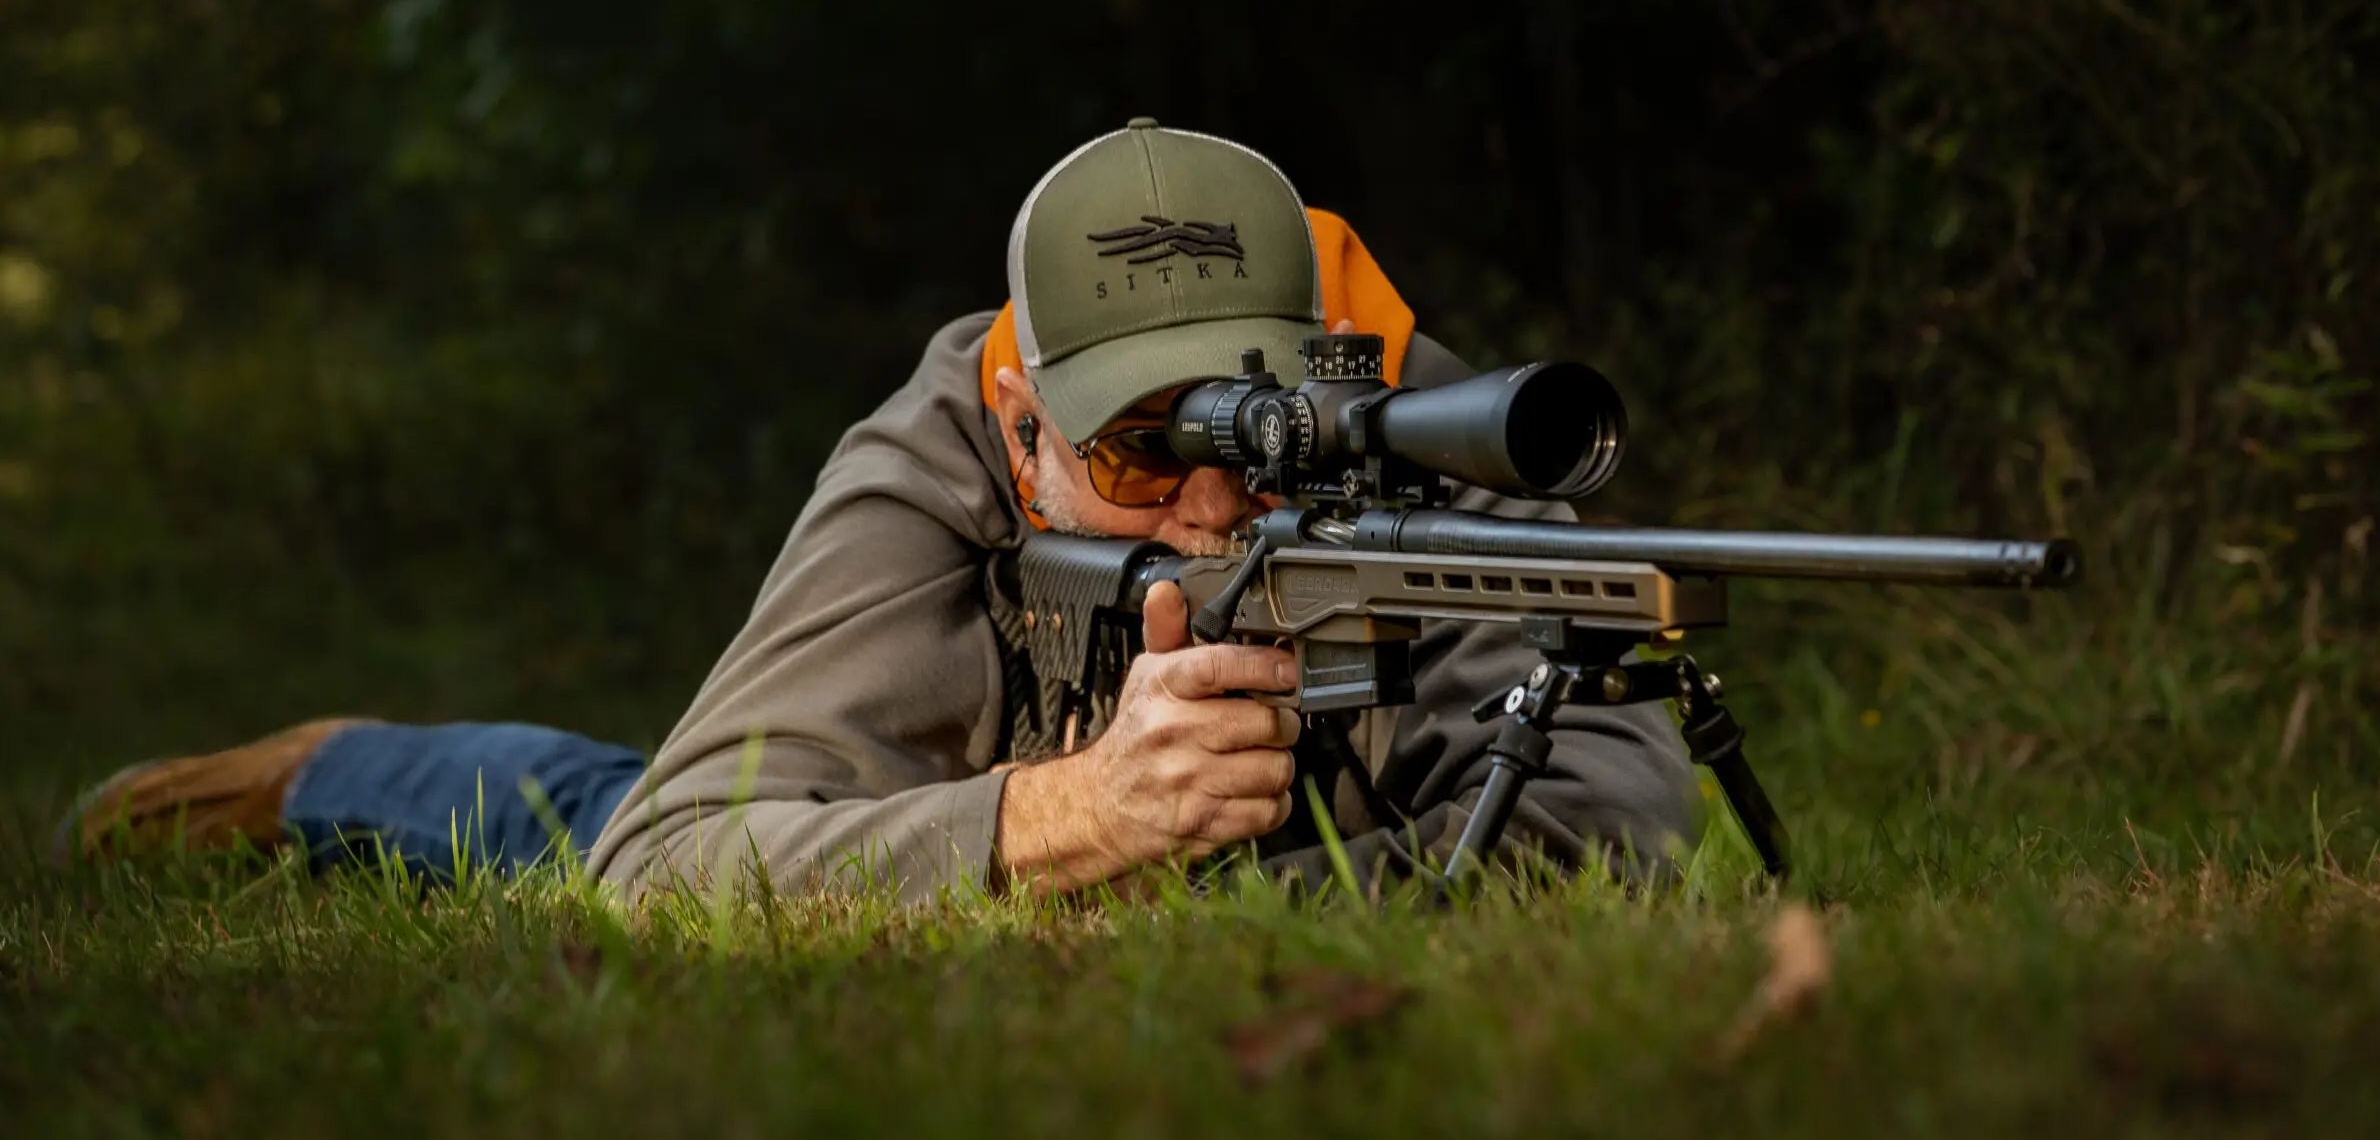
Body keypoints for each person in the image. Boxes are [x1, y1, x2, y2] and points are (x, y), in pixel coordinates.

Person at [62, 120, 1701, 903]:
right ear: (1018, 420)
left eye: (1254, 441)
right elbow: (666, 872)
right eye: (1139, 445)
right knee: (575, 818)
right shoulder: (934, 448)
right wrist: (1067, 822)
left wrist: (1214, 899)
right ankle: (332, 772)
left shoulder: (1423, 426)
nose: (1210, 502)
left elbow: (1626, 819)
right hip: (938, 778)